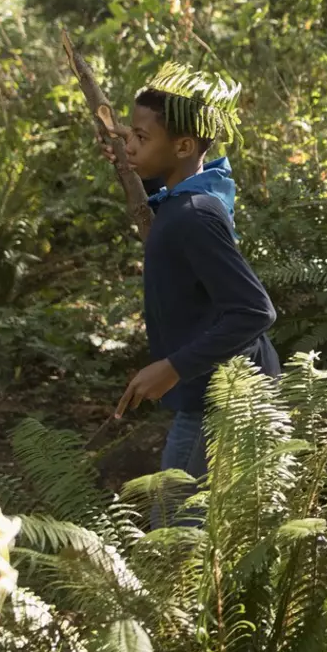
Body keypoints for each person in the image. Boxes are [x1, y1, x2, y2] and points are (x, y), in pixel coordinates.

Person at [109, 82, 281, 525]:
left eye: (141, 137)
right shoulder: (192, 194)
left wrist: (172, 367)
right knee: (212, 523)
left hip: (221, 397)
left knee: (174, 528)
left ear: (184, 144)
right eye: (131, 133)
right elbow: (167, 191)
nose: (130, 143)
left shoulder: (194, 215)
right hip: (216, 390)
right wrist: (139, 163)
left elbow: (254, 310)